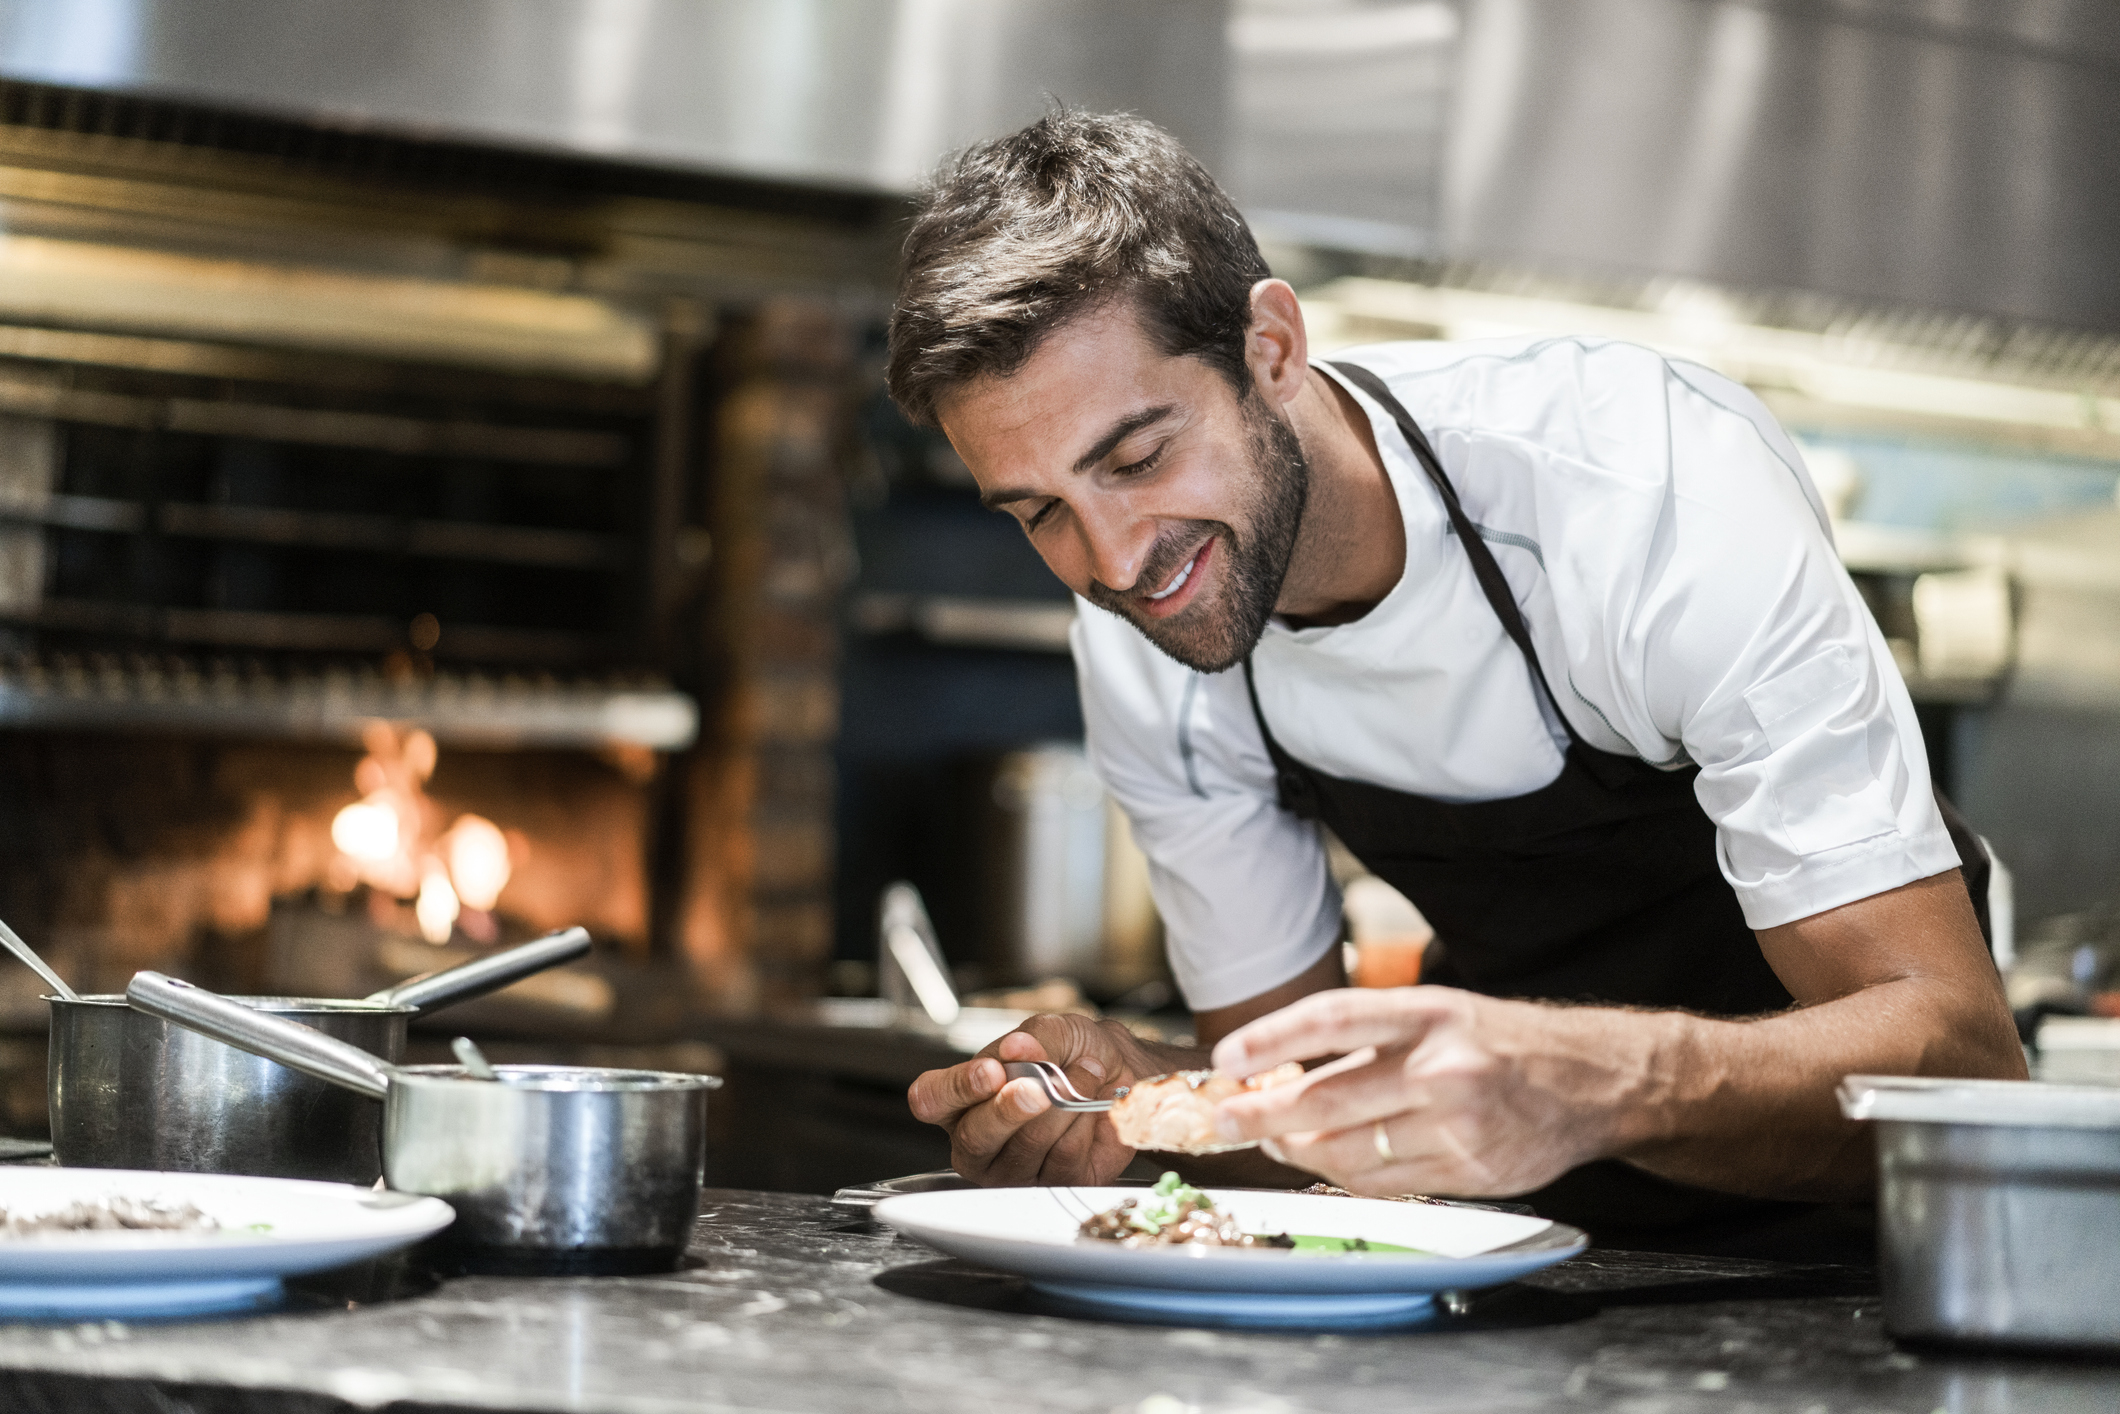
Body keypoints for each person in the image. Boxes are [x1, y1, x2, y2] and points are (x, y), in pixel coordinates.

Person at [891, 109, 2023, 1233]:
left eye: (1137, 458)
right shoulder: (1145, 652)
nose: (1117, 561)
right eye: (1039, 511)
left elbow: (1959, 1074)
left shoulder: (1646, 495)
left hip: (1867, 1261)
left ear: (1270, 349)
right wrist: (1139, 1096)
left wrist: (1585, 1079)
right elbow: (1291, 1138)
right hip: (1531, 1266)